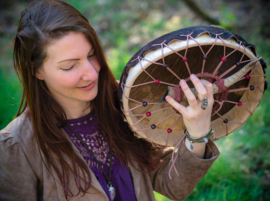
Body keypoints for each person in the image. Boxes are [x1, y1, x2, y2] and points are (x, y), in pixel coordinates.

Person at [0, 0, 219, 200]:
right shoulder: (15, 149)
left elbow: (172, 185)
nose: (92, 73)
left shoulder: (126, 102)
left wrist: (197, 134)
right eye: (70, 66)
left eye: (92, 55)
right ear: (36, 70)